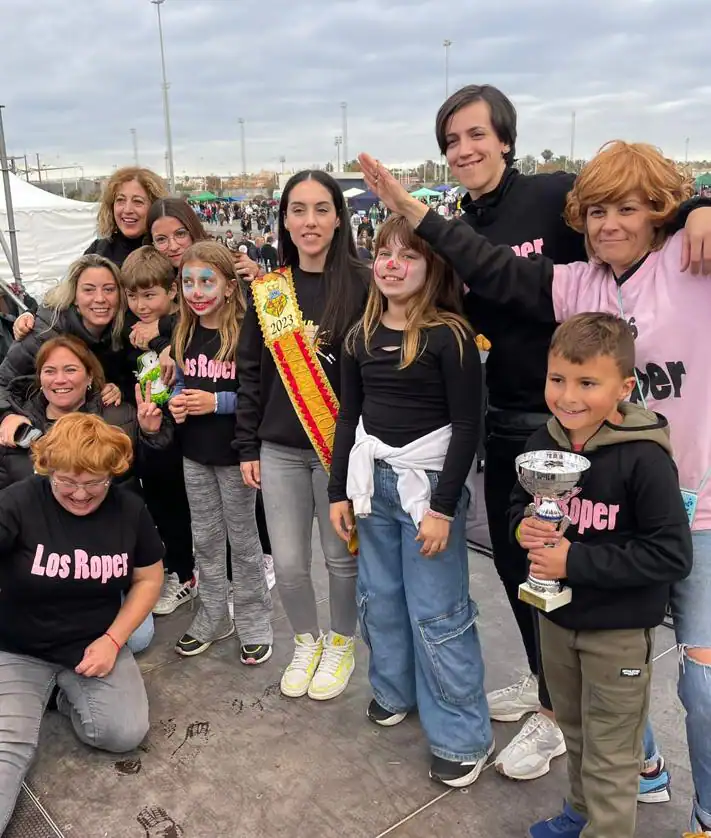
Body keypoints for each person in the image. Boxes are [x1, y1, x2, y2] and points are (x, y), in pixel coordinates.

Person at [359, 140, 711, 834]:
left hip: (697, 506)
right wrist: (407, 208)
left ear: (658, 211)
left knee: (700, 679)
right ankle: (640, 771)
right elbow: (490, 266)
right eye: (597, 212)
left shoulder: (690, 261)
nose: (609, 225)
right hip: (603, 513)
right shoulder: (578, 284)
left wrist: (704, 204)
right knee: (603, 659)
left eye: (628, 209)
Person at [510, 313, 692, 838]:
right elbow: (515, 506)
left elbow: (671, 555)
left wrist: (575, 562)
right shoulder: (540, 442)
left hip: (617, 631)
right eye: (558, 379)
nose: (568, 396)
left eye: (587, 383)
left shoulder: (645, 457)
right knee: (575, 732)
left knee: (613, 752)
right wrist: (523, 529)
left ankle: (604, 825)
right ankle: (581, 812)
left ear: (624, 388)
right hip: (557, 621)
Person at [328, 215, 491, 787]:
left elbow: (467, 428)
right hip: (373, 486)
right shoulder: (359, 336)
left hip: (428, 491)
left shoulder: (451, 337)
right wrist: (338, 491)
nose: (392, 265)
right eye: (384, 253)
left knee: (437, 611)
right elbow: (348, 417)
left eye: (408, 255)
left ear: (432, 267)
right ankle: (395, 689)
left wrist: (443, 509)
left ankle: (461, 735)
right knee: (381, 598)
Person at [236, 170, 369, 701]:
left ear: (338, 218)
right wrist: (247, 444)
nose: (309, 221)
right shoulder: (269, 292)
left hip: (340, 448)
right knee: (289, 563)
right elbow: (250, 371)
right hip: (279, 450)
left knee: (340, 559)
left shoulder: (365, 284)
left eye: (320, 209)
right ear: (284, 221)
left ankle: (341, 643)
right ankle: (306, 641)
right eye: (298, 210)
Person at [0, 413, 164, 833]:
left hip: (93, 641)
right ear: (47, 470)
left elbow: (149, 578)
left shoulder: (128, 509)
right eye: (67, 482)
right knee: (7, 748)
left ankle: (57, 694)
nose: (80, 494)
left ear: (111, 473)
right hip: (19, 645)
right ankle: (43, 691)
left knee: (123, 733)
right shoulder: (17, 502)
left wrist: (114, 639)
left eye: (94, 482)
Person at [168, 241, 273, 663]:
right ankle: (213, 615)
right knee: (206, 540)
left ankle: (254, 618)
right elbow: (182, 381)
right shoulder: (184, 330)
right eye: (188, 282)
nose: (196, 292)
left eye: (206, 282)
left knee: (243, 540)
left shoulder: (247, 331)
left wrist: (216, 403)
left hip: (235, 456)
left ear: (229, 286)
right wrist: (176, 400)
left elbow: (257, 394)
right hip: (194, 454)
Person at [120, 247, 198, 618]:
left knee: (191, 506)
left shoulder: (185, 325)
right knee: (163, 504)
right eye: (133, 296)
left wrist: (160, 341)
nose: (141, 305)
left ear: (172, 290)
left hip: (188, 430)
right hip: (153, 432)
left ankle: (192, 572)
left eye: (150, 295)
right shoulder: (129, 331)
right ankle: (179, 571)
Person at [0, 254, 128, 449]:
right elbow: (2, 381)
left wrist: (117, 389)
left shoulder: (122, 331)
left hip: (90, 437)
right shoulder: (43, 332)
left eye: (109, 289)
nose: (100, 298)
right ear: (74, 297)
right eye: (88, 290)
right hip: (38, 436)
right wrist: (6, 415)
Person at [85, 166, 169, 267]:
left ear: (155, 206)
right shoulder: (97, 253)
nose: (127, 210)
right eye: (120, 200)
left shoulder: (168, 251)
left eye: (138, 201)